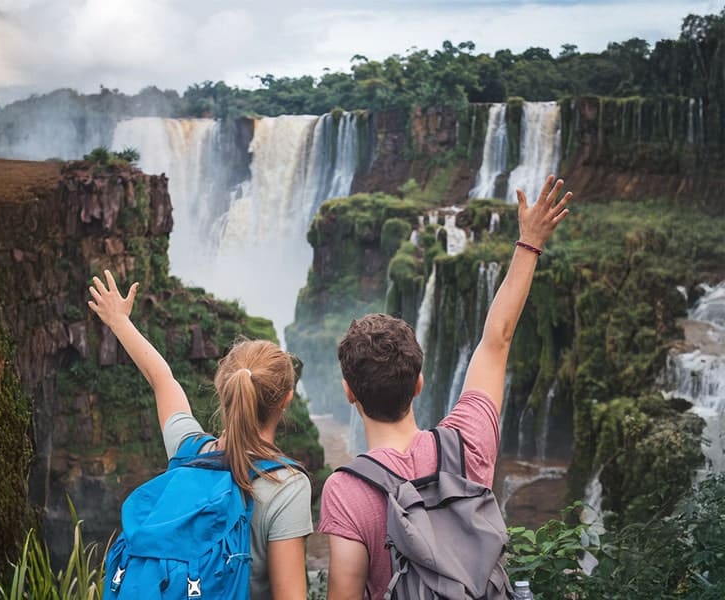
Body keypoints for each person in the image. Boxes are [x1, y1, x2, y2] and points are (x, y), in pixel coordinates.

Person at [318, 175, 572, 599]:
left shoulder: (346, 491)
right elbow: (498, 339)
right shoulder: (466, 445)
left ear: (349, 393)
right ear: (419, 383)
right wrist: (529, 241)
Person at [88, 271, 312, 600]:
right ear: (287, 399)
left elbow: (161, 378)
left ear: (223, 390)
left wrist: (119, 320)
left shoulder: (188, 451)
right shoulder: (287, 487)